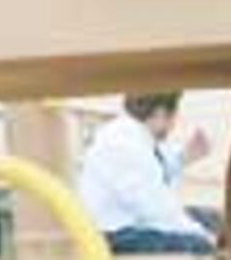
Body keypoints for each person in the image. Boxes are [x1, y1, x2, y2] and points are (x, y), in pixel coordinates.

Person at [76, 93, 220, 255]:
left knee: (213, 219)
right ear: (160, 113)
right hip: (116, 236)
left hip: (133, 220)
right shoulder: (125, 145)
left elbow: (156, 168)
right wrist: (205, 236)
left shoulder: (132, 135)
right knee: (200, 246)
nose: (173, 125)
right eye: (173, 118)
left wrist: (185, 156)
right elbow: (157, 209)